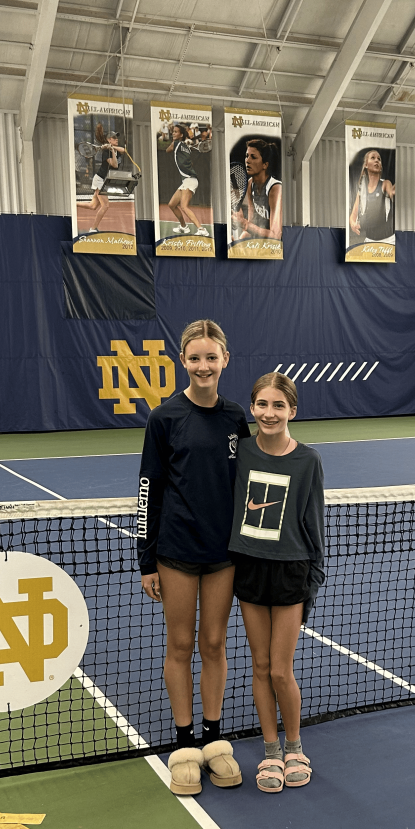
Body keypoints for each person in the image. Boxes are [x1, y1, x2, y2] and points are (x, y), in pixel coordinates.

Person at [138, 320, 252, 796]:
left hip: (224, 554)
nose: (203, 365)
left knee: (214, 645)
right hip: (176, 552)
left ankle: (213, 737)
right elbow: (149, 491)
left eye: (212, 357)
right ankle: (184, 745)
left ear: (225, 359)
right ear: (182, 361)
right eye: (195, 357)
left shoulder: (235, 418)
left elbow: (250, 486)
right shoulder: (164, 418)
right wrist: (147, 560)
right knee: (180, 646)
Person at [228, 372, 325, 793]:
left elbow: (313, 522)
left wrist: (313, 577)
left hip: (291, 571)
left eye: (278, 406)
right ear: (252, 408)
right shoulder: (240, 452)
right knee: (260, 666)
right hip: (249, 567)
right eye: (262, 404)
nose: (269, 413)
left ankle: (294, 746)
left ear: (292, 411)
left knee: (281, 670)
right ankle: (270, 751)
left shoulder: (308, 461)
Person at [231, 139, 282, 241]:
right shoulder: (250, 184)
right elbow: (251, 227)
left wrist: (244, 223)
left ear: (265, 165)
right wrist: (238, 243)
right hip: (261, 242)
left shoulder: (275, 189)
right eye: (247, 156)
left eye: (253, 157)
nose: (247, 160)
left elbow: (276, 235)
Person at [165, 123, 209, 238]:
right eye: (173, 131)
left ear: (181, 135)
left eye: (175, 132)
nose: (173, 133)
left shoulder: (177, 144)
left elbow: (167, 150)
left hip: (190, 180)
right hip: (187, 180)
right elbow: (191, 163)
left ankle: (201, 229)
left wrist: (176, 141)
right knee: (172, 204)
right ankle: (184, 227)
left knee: (184, 206)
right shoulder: (186, 148)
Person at [83, 126, 128, 235]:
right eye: (113, 138)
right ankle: (93, 228)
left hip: (103, 181)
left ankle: (73, 204)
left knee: (93, 206)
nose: (116, 139)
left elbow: (124, 150)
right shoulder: (106, 153)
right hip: (99, 180)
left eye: (116, 137)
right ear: (109, 140)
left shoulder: (115, 150)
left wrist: (112, 148)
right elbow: (115, 165)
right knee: (106, 205)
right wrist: (111, 150)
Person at [348, 150, 396, 246]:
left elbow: (391, 193)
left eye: (379, 159)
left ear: (381, 166)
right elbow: (353, 216)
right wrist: (353, 224)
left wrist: (393, 192)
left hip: (388, 240)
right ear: (366, 165)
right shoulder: (362, 191)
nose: (377, 160)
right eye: (373, 158)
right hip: (370, 240)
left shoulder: (385, 184)